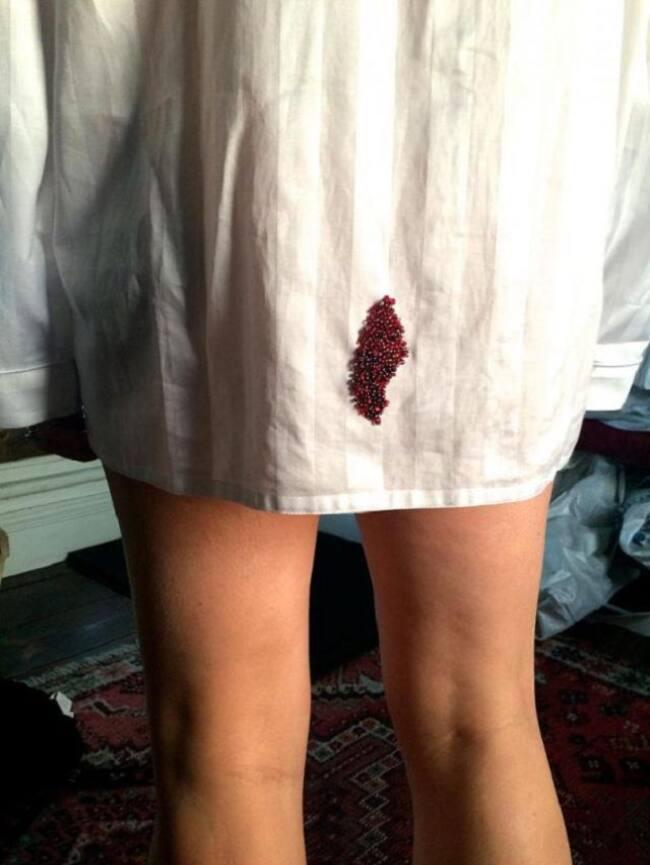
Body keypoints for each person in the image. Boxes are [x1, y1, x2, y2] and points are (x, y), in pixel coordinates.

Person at [3, 2, 650, 864]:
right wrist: (607, 324)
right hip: (506, 216)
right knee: (481, 726)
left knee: (224, 749)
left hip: (212, 208)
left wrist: (28, 348)